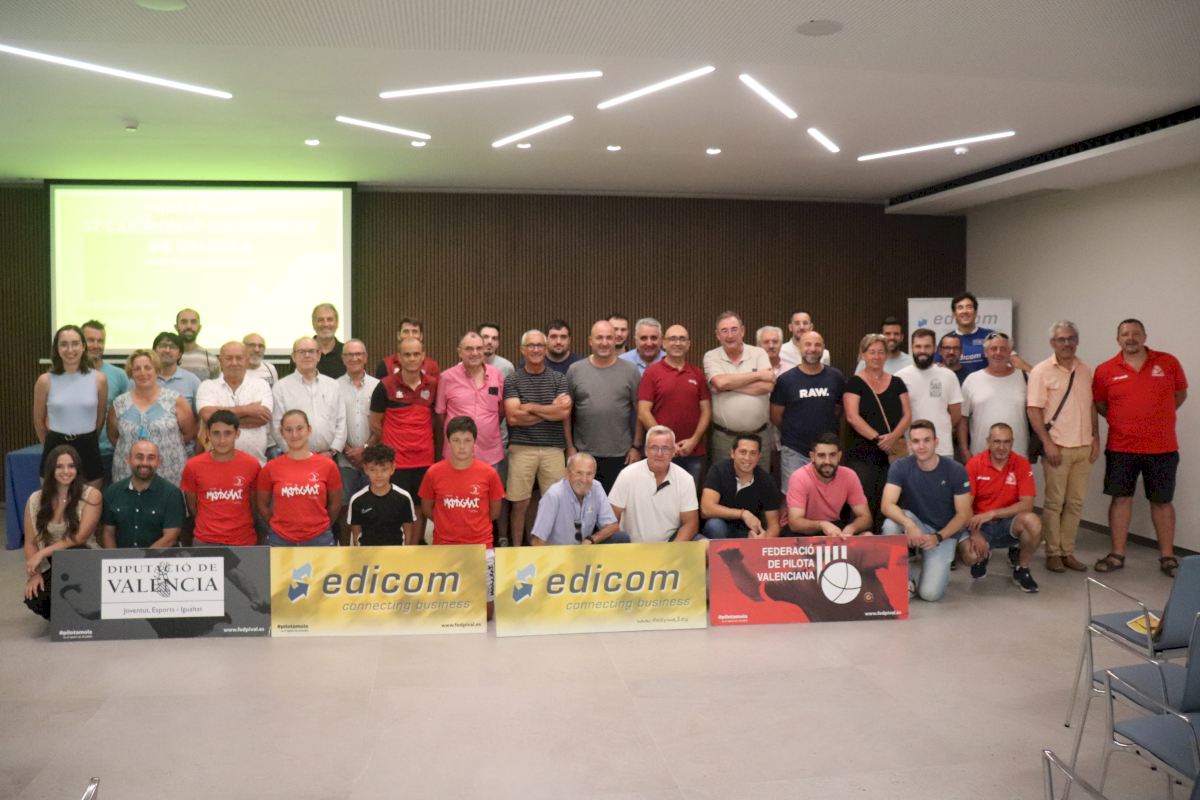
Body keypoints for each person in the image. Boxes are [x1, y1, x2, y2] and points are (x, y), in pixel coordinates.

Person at [1092, 318, 1188, 577]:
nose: (1131, 338)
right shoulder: (1105, 370)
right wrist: (1123, 420)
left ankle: (1167, 557)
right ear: (1118, 339)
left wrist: (1156, 416)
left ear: (1145, 336)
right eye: (1125, 334)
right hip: (1121, 447)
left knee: (1162, 502)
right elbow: (1100, 404)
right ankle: (1117, 554)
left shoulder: (1168, 362)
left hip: (1162, 447)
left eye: (1136, 333)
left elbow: (1180, 394)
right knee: (1120, 499)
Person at [1027, 321, 1099, 573]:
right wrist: (1047, 443)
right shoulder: (1041, 371)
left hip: (1083, 446)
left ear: (1077, 341)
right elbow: (1034, 409)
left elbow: (1091, 406)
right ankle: (1053, 553)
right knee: (1055, 503)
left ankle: (1068, 551)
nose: (1067, 343)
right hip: (1057, 447)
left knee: (1076, 503)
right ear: (1052, 343)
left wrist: (1096, 437)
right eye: (1061, 339)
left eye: (1071, 338)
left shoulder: (1085, 369)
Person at [418, 416, 505, 617]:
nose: (462, 446)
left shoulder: (489, 474)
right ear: (448, 442)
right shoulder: (434, 473)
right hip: (445, 545)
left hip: (481, 546)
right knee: (444, 611)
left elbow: (495, 512)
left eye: (467, 440)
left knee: (487, 614)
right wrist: (446, 523)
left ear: (475, 442)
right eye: (456, 440)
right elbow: (427, 508)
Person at [880, 420, 972, 602]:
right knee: (891, 524)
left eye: (926, 440)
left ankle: (933, 570)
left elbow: (963, 514)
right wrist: (909, 525)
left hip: (942, 532)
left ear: (936, 442)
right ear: (909, 445)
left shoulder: (956, 470)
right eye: (916, 441)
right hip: (916, 522)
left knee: (930, 594)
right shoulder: (900, 466)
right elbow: (887, 504)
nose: (921, 446)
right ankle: (905, 580)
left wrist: (938, 537)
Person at [504, 329, 572, 545]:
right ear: (522, 350)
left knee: (555, 503)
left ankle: (553, 549)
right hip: (521, 448)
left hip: (553, 448)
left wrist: (531, 407)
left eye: (540, 346)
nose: (535, 350)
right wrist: (550, 409)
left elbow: (563, 413)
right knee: (520, 503)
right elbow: (513, 417)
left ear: (546, 349)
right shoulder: (513, 379)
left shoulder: (559, 379)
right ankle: (517, 549)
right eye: (531, 346)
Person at [369, 335, 438, 539]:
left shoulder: (433, 385)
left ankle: (415, 548)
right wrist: (395, 442)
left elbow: (436, 420)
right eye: (407, 355)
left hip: (424, 460)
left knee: (419, 507)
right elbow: (375, 423)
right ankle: (398, 550)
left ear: (423, 356)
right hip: (397, 461)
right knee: (397, 508)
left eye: (416, 354)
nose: (412, 359)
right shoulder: (385, 385)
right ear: (399, 357)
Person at [960, 423, 1042, 592]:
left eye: (1006, 442)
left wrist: (993, 513)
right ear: (988, 441)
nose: (1001, 447)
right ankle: (983, 556)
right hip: (980, 525)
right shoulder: (974, 464)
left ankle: (1022, 568)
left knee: (1033, 522)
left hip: (1008, 523)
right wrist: (975, 534)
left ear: (1012, 443)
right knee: (970, 556)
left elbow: (1027, 504)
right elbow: (966, 504)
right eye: (997, 441)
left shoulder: (1021, 464)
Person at [22, 445, 102, 620]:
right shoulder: (35, 500)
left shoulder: (91, 495)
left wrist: (42, 553)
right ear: (51, 469)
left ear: (77, 468)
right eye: (59, 466)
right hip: (53, 562)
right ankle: (68, 620)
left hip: (83, 556)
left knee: (75, 556)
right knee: (35, 598)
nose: (66, 471)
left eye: (71, 466)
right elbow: (30, 543)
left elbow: (80, 537)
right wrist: (35, 574)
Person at [844, 333, 911, 530]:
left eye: (881, 352)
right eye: (871, 352)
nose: (876, 356)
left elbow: (907, 415)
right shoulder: (854, 383)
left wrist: (893, 437)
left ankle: (889, 540)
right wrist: (879, 439)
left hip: (893, 453)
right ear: (862, 355)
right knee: (864, 501)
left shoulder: (897, 383)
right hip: (862, 454)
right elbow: (852, 417)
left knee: (892, 501)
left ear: (886, 355)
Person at [565, 320, 642, 492]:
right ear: (590, 341)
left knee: (614, 504)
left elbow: (640, 412)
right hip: (583, 454)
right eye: (599, 338)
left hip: (620, 455)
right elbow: (566, 414)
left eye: (609, 338)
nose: (604, 342)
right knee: (582, 502)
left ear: (616, 340)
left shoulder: (630, 371)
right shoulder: (575, 370)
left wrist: (636, 447)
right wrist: (570, 447)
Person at [33, 324, 108, 486]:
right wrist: (50, 447)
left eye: (75, 343)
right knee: (55, 500)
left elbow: (100, 417)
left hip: (88, 446)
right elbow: (38, 420)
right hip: (56, 445)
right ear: (57, 348)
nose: (70, 349)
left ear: (83, 346)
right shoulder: (45, 381)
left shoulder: (99, 379)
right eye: (64, 344)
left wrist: (88, 438)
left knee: (91, 499)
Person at [637, 324, 711, 485]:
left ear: (688, 344)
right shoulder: (651, 373)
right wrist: (667, 442)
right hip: (660, 452)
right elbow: (643, 412)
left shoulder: (697, 374)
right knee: (657, 496)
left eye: (682, 339)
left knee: (689, 497)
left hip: (693, 452)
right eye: (673, 339)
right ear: (664, 343)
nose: (677, 343)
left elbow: (706, 411)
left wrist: (694, 440)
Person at [770, 330, 844, 489]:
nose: (813, 349)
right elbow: (776, 416)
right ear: (800, 348)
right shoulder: (785, 380)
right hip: (794, 450)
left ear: (823, 348)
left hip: (827, 451)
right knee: (793, 495)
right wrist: (795, 429)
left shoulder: (836, 377)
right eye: (808, 344)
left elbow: (838, 410)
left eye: (817, 345)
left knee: (826, 494)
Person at [108, 349, 195, 486]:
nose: (143, 373)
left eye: (148, 368)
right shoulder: (119, 404)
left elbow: (189, 433)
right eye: (137, 369)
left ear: (157, 370)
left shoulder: (175, 401)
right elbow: (113, 437)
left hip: (169, 473)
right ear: (131, 373)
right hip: (128, 473)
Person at [255, 409, 342, 546]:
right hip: (280, 539)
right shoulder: (271, 467)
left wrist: (320, 527)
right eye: (288, 430)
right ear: (282, 433)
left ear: (309, 429)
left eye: (299, 428)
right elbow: (262, 504)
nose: (294, 435)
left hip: (319, 538)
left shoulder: (328, 466)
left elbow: (335, 505)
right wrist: (279, 528)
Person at [181, 410, 262, 546]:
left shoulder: (252, 464)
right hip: (205, 540)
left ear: (237, 434)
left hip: (243, 541)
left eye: (228, 433)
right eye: (216, 433)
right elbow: (193, 505)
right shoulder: (193, 466)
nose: (222, 440)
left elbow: (254, 504)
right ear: (208, 434)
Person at [608, 426, 699, 542]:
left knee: (703, 542)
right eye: (654, 448)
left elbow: (690, 524)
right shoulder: (627, 475)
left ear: (673, 451)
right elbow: (611, 520)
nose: (659, 454)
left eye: (665, 448)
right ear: (646, 450)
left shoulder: (685, 479)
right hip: (631, 546)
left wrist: (673, 550)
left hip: (670, 544)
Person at [703, 310, 775, 460]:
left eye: (734, 329)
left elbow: (767, 386)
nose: (730, 335)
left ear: (743, 331)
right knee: (723, 475)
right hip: (725, 438)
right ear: (717, 335)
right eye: (724, 331)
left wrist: (728, 387)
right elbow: (720, 382)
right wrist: (758, 375)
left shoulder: (759, 353)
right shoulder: (711, 356)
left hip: (759, 436)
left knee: (760, 476)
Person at [195, 341, 274, 465]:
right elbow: (207, 415)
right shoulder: (207, 386)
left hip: (256, 464)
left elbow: (263, 418)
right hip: (216, 465)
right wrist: (248, 410)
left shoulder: (261, 385)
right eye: (229, 358)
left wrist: (220, 422)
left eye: (239, 358)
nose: (234, 362)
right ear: (220, 361)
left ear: (247, 360)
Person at [100, 440, 185, 549]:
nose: (145, 463)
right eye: (139, 457)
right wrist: (116, 558)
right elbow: (108, 533)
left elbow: (170, 538)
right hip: (121, 558)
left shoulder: (172, 494)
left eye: (151, 458)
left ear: (159, 461)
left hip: (159, 558)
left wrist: (142, 559)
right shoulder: (112, 491)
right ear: (128, 460)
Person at [271, 337, 346, 459]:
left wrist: (332, 451)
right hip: (295, 458)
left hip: (329, 457)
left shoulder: (333, 385)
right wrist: (296, 453)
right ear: (294, 356)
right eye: (301, 352)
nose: (307, 355)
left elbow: (341, 422)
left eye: (311, 351)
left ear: (318, 355)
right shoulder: (280, 387)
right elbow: (276, 426)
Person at [529, 452, 627, 545]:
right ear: (567, 473)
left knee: (621, 537)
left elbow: (612, 526)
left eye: (589, 474)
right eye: (579, 473)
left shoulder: (596, 487)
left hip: (584, 548)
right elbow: (537, 540)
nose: (584, 479)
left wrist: (591, 539)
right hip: (559, 552)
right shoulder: (554, 495)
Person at [786, 433, 872, 537]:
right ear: (812, 457)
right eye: (821, 455)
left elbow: (866, 517)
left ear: (839, 456)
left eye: (832, 455)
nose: (827, 461)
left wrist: (851, 528)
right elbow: (795, 523)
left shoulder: (849, 475)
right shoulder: (799, 477)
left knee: (868, 535)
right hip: (805, 531)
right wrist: (822, 525)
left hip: (834, 526)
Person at [336, 339, 380, 543]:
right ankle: (346, 550)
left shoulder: (378, 386)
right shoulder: (334, 386)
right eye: (349, 355)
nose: (354, 358)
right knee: (344, 508)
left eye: (358, 354)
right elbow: (333, 422)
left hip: (372, 460)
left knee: (372, 507)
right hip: (344, 461)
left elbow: (382, 422)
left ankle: (368, 549)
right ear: (343, 358)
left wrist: (365, 449)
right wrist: (347, 450)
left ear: (365, 357)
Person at [959, 332, 1029, 459]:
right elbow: (963, 419)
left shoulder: (1024, 377)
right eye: (993, 349)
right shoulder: (972, 380)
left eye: (1003, 349)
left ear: (1010, 353)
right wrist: (964, 450)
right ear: (986, 352)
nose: (998, 353)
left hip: (1018, 455)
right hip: (981, 455)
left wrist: (1025, 366)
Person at [896, 328, 963, 459]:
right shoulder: (899, 377)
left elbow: (956, 415)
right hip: (912, 451)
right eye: (918, 346)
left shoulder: (948, 375)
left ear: (935, 348)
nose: (922, 350)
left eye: (927, 346)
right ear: (912, 348)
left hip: (943, 449)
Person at [699, 434, 782, 539]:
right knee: (715, 525)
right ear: (732, 453)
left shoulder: (766, 481)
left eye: (753, 453)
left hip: (747, 531)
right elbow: (706, 509)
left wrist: (763, 539)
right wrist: (742, 514)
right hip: (720, 526)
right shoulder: (718, 470)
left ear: (759, 456)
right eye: (743, 452)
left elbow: (774, 526)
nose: (747, 458)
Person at [81, 320, 129, 479]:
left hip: (109, 453)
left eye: (100, 341)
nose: (96, 345)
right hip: (76, 452)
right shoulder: (69, 375)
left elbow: (127, 414)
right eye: (90, 340)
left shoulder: (119, 375)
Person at [347, 444, 417, 546]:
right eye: (373, 470)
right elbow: (356, 534)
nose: (379, 475)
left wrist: (405, 552)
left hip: (395, 551)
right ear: (365, 469)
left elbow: (408, 531)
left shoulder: (404, 497)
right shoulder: (357, 500)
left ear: (392, 468)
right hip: (367, 552)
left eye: (384, 469)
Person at [375, 317, 440, 380]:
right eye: (406, 332)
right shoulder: (385, 365)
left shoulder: (432, 367)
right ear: (398, 335)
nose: (410, 336)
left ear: (421, 336)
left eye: (414, 332)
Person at [154, 331, 202, 412]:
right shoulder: (143, 378)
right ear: (154, 351)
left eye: (172, 347)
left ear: (180, 354)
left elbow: (200, 415)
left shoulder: (192, 381)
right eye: (163, 346)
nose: (167, 350)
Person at [174, 308, 218, 379]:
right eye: (184, 322)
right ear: (176, 327)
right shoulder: (166, 357)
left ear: (199, 328)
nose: (189, 326)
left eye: (193, 322)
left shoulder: (211, 359)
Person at [312, 302, 346, 378]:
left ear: (337, 323)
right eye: (320, 320)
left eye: (330, 320)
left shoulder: (347, 353)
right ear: (313, 324)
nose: (325, 324)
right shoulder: (302, 353)